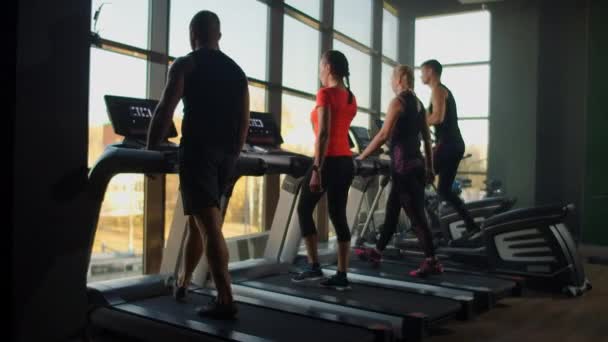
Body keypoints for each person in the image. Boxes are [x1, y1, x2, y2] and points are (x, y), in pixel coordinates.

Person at [146, 10, 249, 319]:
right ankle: (184, 282)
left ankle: (226, 300)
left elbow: (166, 108)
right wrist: (232, 157)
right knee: (197, 219)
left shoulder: (186, 63)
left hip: (198, 153)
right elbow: (244, 122)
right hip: (226, 156)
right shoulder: (236, 71)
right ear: (218, 35)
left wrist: (151, 150)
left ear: (193, 35)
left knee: (209, 227)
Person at [357, 65, 443, 277]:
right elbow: (427, 139)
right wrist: (429, 168)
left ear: (400, 80)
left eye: (392, 79)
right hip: (416, 166)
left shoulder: (398, 103)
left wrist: (362, 156)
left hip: (402, 169)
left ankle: (432, 261)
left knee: (416, 217)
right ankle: (377, 252)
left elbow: (383, 135)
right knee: (392, 213)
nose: (391, 83)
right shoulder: (420, 105)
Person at [290, 50, 357, 290]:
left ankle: (314, 265)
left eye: (321, 66)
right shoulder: (350, 97)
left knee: (304, 208)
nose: (319, 71)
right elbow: (340, 131)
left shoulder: (325, 93)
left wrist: (317, 168)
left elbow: (324, 133)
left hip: (327, 161)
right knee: (338, 215)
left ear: (328, 67)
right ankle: (342, 273)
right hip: (346, 162)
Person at [421, 59, 480, 245]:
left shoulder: (438, 89)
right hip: (454, 144)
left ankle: (432, 227)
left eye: (423, 72)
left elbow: (438, 117)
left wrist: (418, 122)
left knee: (414, 180)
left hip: (448, 144)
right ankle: (471, 225)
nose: (421, 75)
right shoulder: (439, 90)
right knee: (444, 190)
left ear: (430, 71)